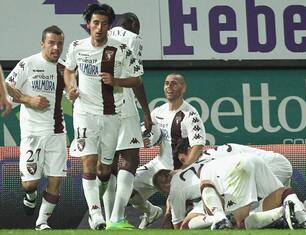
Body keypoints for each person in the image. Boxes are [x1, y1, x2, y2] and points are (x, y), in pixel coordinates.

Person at [64, 3, 143, 230]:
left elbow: (137, 78)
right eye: (95, 23)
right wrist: (71, 86)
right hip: (84, 112)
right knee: (88, 162)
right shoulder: (77, 47)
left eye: (104, 24)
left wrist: (116, 81)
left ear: (109, 26)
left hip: (111, 114)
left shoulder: (120, 49)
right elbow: (68, 70)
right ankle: (96, 214)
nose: (99, 28)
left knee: (104, 170)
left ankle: (96, 206)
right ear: (88, 25)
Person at [5, 25, 67, 230]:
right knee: (30, 183)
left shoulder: (64, 69)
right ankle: (30, 195)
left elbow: (76, 93)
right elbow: (6, 86)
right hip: (32, 132)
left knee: (55, 181)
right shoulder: (28, 64)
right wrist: (28, 99)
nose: (56, 48)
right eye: (51, 43)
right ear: (42, 44)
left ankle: (42, 222)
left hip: (57, 133)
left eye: (59, 44)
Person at [153, 140, 294, 229]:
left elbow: (178, 226)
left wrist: (168, 211)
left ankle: (223, 220)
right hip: (277, 163)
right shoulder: (212, 155)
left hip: (263, 169)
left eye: (184, 160)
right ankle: (297, 214)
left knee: (238, 219)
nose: (185, 164)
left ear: (192, 151)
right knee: (283, 199)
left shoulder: (196, 169)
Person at [129, 73, 206, 229]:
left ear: (184, 88)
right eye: (166, 83)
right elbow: (148, 132)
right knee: (125, 187)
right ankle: (151, 212)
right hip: (159, 165)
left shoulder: (190, 114)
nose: (169, 87)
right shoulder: (158, 111)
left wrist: (182, 171)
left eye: (174, 83)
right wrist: (144, 139)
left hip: (180, 171)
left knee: (170, 224)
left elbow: (198, 146)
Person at [101, 12, 152, 229]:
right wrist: (147, 111)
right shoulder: (132, 38)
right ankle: (117, 217)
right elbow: (136, 78)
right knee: (129, 157)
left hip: (96, 108)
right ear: (133, 25)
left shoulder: (97, 37)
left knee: (109, 165)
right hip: (122, 104)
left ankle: (104, 219)